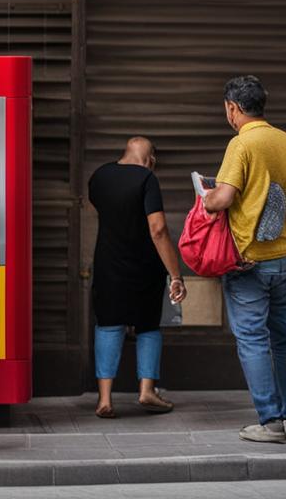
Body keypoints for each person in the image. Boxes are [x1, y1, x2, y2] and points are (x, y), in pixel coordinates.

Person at [204, 75, 286, 444]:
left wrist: (205, 196)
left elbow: (224, 198)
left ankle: (269, 422)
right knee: (284, 336)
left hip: (249, 261)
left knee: (251, 338)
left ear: (233, 108)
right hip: (285, 257)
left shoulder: (241, 144)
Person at [88, 137, 187, 419]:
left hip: (108, 261)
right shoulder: (146, 178)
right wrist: (175, 274)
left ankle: (104, 399)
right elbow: (157, 229)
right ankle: (147, 391)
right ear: (151, 158)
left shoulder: (99, 176)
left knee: (108, 323)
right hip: (145, 264)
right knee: (148, 326)